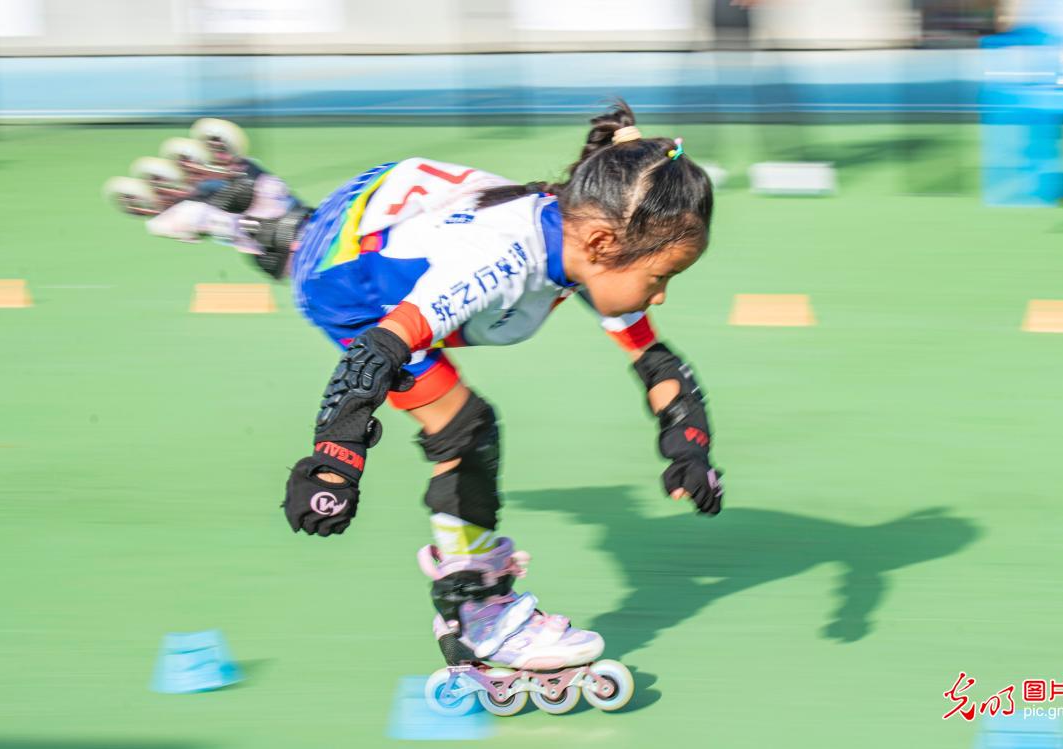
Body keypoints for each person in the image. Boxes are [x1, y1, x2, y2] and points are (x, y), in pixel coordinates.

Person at [108, 101, 723, 714]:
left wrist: (688, 443)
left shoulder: (577, 230)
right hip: (354, 288)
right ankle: (479, 613)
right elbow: (376, 353)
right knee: (465, 427)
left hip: (372, 219)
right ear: (602, 241)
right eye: (660, 277)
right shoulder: (499, 265)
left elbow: (655, 362)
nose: (661, 295)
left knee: (328, 259)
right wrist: (334, 462)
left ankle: (261, 213)